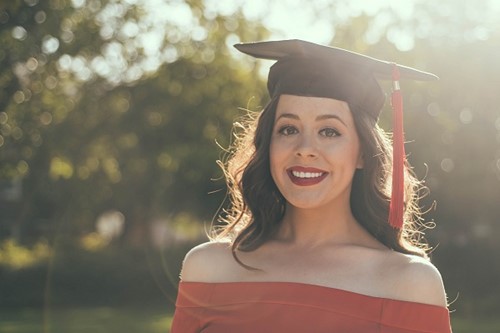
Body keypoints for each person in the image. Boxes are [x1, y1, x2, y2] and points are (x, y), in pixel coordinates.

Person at [171, 39, 452, 332]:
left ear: (363, 154)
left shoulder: (407, 283)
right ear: (268, 144)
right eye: (288, 129)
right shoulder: (210, 268)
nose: (305, 149)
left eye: (329, 131)